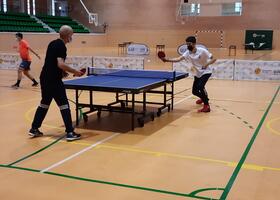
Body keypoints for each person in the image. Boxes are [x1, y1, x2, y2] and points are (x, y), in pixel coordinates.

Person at [29, 25, 83, 141]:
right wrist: (75, 71)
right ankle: (69, 132)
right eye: (71, 35)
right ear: (68, 36)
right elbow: (60, 64)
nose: (71, 37)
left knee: (44, 104)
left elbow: (52, 62)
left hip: (44, 78)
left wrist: (62, 72)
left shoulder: (52, 43)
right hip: (53, 81)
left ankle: (34, 128)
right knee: (64, 105)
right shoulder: (62, 46)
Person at [161, 36, 216, 112]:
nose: (188, 45)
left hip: (206, 71)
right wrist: (167, 60)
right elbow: (178, 59)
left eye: (189, 44)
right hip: (197, 73)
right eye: (187, 44)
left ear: (194, 43)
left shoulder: (202, 51)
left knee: (200, 86)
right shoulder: (187, 52)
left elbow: (214, 58)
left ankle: (207, 106)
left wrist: (206, 64)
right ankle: (203, 98)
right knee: (194, 91)